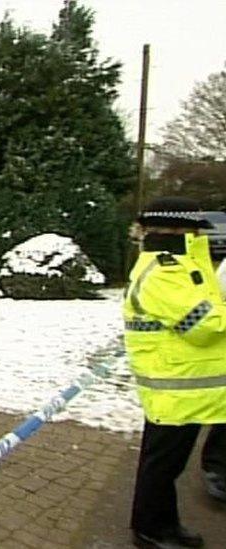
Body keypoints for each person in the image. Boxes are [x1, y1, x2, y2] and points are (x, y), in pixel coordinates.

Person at [124, 196, 226, 549]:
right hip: (173, 388)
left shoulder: (183, 265)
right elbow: (203, 324)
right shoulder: (164, 272)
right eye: (194, 230)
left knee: (168, 465)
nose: (201, 236)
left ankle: (164, 524)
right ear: (178, 231)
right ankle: (150, 529)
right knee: (162, 466)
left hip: (187, 387)